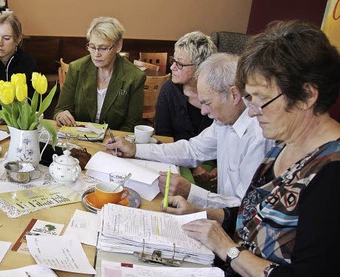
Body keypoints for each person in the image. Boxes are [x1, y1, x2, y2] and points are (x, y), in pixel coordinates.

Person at [165, 21, 340, 277]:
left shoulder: (331, 174)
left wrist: (228, 249)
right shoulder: (285, 142)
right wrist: (208, 216)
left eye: (260, 99)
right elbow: (254, 216)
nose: (253, 111)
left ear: (307, 95)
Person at [106, 53, 271, 209]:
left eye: (207, 103)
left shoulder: (259, 136)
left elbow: (244, 209)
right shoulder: (225, 121)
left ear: (234, 95)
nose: (203, 111)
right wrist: (135, 149)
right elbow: (192, 150)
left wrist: (191, 192)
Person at [54, 16, 144, 132]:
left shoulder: (134, 77)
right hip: (78, 138)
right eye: (92, 47)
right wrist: (60, 115)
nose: (96, 54)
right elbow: (61, 109)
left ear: (118, 46)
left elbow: (132, 124)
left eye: (103, 48)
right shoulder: (76, 69)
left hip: (113, 143)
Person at [155, 31, 218, 185]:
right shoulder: (169, 90)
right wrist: (195, 165)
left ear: (200, 67)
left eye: (180, 64)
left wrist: (221, 167)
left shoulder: (220, 93)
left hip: (214, 161)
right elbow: (164, 136)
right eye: (173, 60)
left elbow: (228, 139)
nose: (172, 67)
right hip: (177, 157)